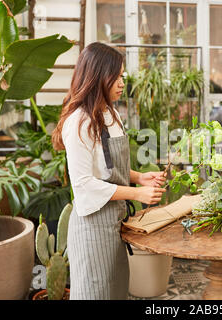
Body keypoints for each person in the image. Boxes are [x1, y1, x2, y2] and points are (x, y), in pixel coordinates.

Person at [52, 42, 166, 299]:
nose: (121, 83)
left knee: (115, 292)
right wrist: (137, 194)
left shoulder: (111, 114)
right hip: (92, 230)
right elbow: (83, 184)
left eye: (122, 76)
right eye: (116, 76)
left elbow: (107, 166)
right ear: (97, 76)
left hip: (115, 225)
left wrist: (139, 177)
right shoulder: (79, 121)